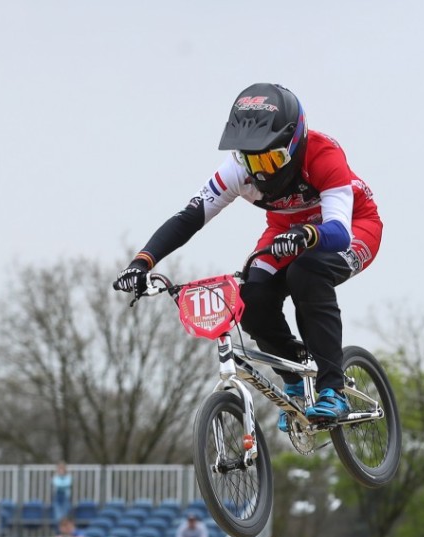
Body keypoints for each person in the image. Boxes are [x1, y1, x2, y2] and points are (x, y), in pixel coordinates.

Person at [113, 83, 383, 431]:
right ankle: (295, 377)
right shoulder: (237, 170)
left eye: (270, 159)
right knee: (252, 297)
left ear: (295, 144)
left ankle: (333, 389)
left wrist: (308, 235)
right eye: (251, 159)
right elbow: (188, 219)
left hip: (351, 227)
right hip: (285, 231)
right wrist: (142, 262)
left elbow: (338, 232)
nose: (262, 172)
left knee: (307, 273)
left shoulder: (323, 155)